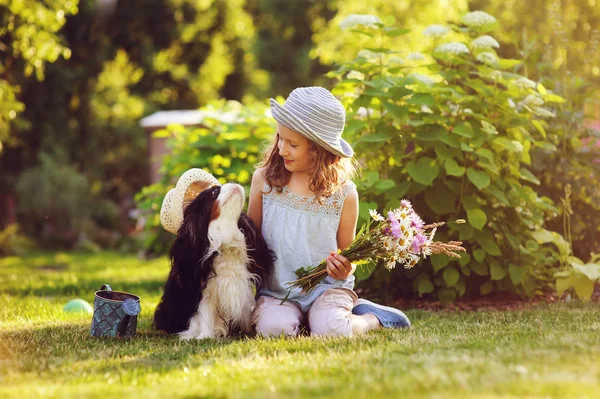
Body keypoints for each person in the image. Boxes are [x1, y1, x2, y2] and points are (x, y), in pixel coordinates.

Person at [247, 86, 411, 337]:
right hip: (277, 292)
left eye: (293, 144)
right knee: (275, 329)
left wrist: (344, 267)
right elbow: (250, 241)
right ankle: (300, 321)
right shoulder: (265, 181)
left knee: (333, 331)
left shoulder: (344, 194)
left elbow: (349, 258)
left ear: (319, 149)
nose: (281, 150)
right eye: (280, 138)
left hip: (327, 290)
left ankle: (370, 318)